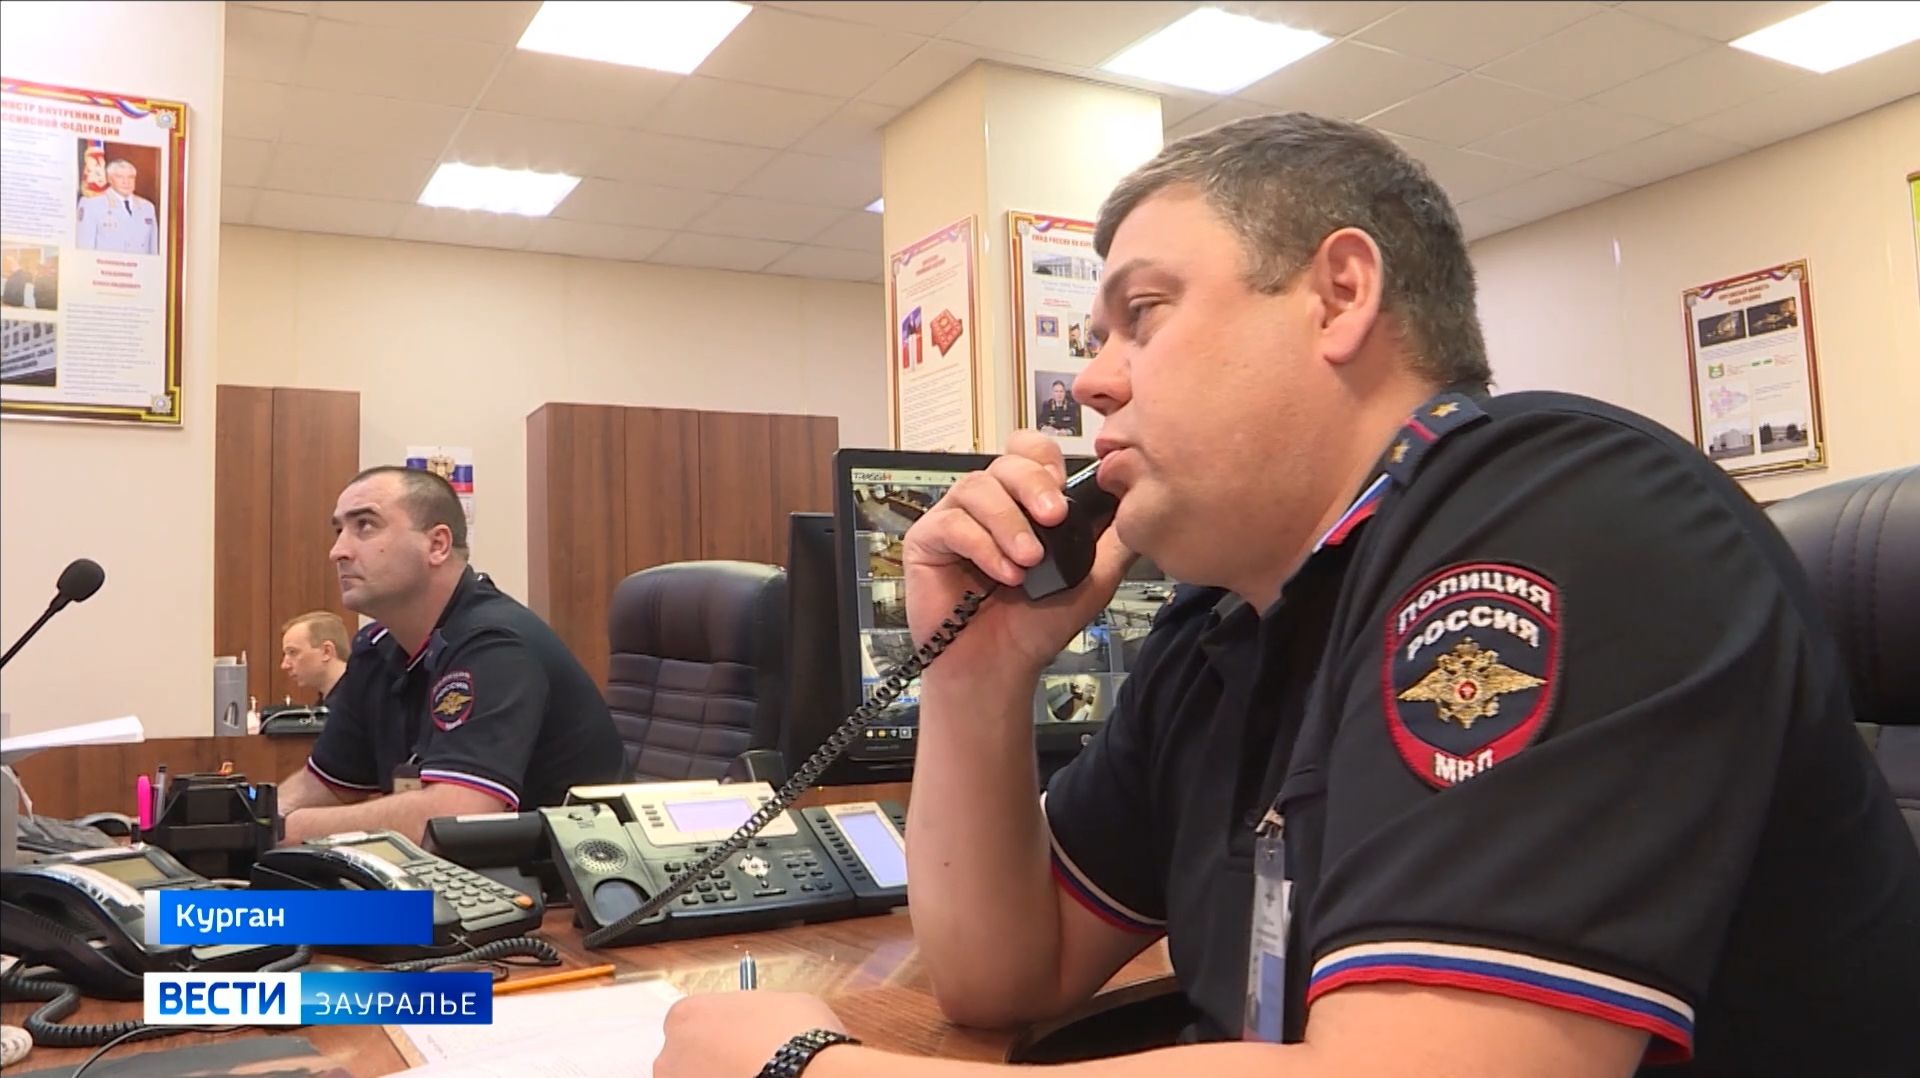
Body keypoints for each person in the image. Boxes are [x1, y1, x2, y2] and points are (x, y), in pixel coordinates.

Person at [654, 113, 1920, 1078]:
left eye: (1141, 314)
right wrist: (979, 676)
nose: (1089, 384)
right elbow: (1005, 976)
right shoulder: (1224, 624)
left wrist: (805, 1067)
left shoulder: (1570, 509)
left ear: (1339, 294)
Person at [275, 465, 622, 844]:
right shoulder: (376, 648)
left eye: (365, 526)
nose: (338, 551)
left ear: (437, 545)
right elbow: (327, 783)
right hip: (459, 873)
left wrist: (286, 830)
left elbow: (456, 819)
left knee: (276, 883)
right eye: (338, 530)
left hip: (560, 872)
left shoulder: (495, 644)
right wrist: (256, 819)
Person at [75, 159, 158, 255]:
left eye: (130, 177)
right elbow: (84, 250)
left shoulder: (147, 207)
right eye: (119, 177)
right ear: (109, 179)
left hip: (139, 264)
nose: (126, 182)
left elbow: (153, 251)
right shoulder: (91, 204)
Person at [278, 610, 351, 706]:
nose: (284, 665)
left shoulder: (360, 701)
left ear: (326, 651)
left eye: (293, 652)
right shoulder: (330, 702)